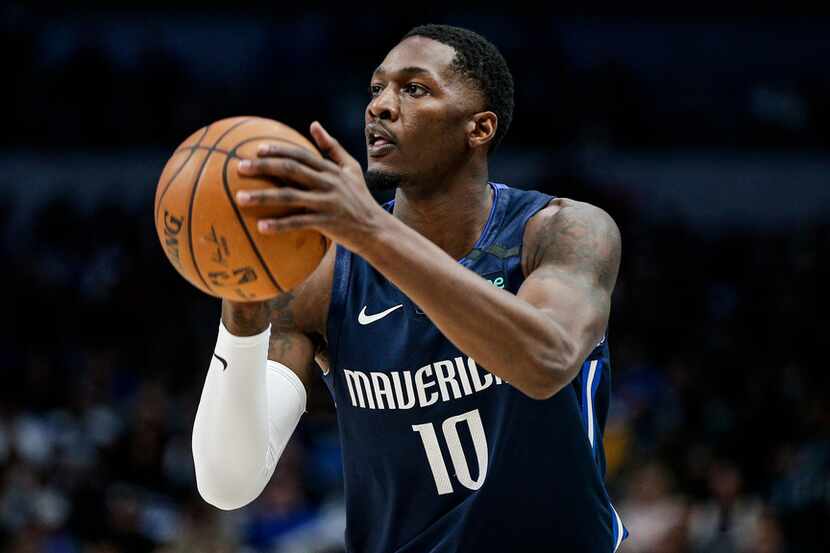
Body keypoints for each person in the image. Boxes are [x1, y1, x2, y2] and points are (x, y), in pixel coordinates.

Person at [192, 24, 627, 553]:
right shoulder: (323, 280)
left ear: (479, 128)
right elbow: (228, 484)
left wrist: (374, 234)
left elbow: (546, 359)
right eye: (376, 89)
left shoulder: (561, 232)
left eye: (414, 88)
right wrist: (239, 306)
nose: (380, 106)